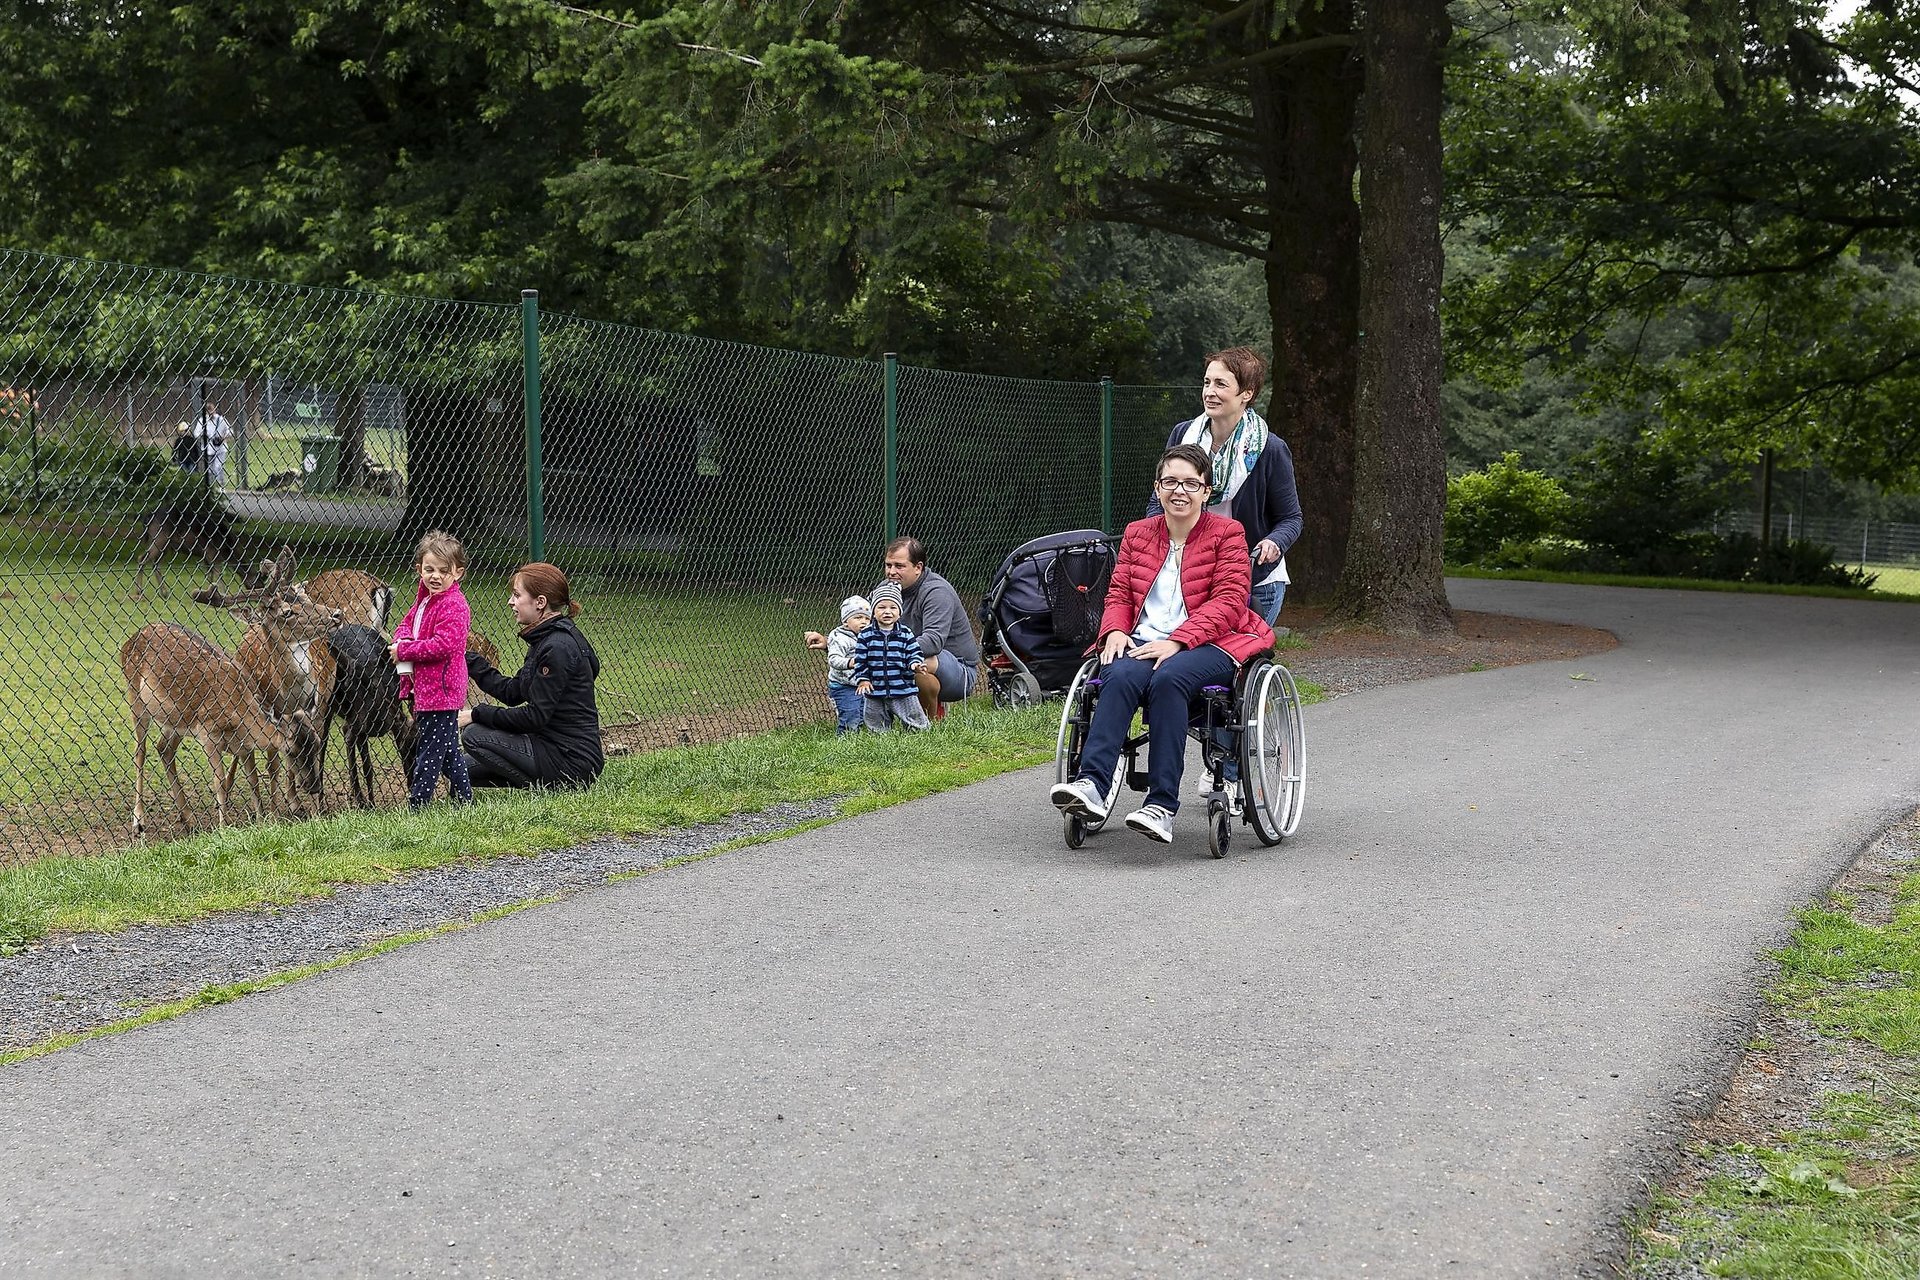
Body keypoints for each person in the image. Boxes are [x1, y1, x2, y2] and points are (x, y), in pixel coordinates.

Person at [1050, 443, 1275, 844]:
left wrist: (1178, 640)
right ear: (1157, 488)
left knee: (1169, 679)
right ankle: (1092, 786)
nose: (1180, 491)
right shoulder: (1139, 534)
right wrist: (1115, 630)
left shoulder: (1229, 533)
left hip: (1213, 642)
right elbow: (1118, 593)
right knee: (1116, 673)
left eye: (1191, 483)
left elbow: (1229, 600)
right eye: (1170, 481)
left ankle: (1161, 805)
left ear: (1207, 491)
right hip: (1144, 640)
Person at [1147, 347, 1302, 626]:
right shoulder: (1183, 436)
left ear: (1247, 393)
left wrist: (1274, 542)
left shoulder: (1270, 449)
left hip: (1252, 579)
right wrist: (1151, 539)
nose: (1209, 392)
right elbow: (1159, 499)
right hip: (1190, 574)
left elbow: (1291, 519)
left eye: (1221, 384)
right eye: (1207, 382)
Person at [459, 561, 605, 789]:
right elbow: (513, 692)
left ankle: (549, 786)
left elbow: (534, 717)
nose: (510, 602)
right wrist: (469, 660)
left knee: (474, 735)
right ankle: (546, 780)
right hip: (550, 746)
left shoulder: (557, 647)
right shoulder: (545, 640)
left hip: (571, 759)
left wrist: (477, 714)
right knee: (461, 770)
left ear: (540, 603)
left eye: (517, 595)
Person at [803, 536, 980, 723]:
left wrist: (889, 649)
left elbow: (933, 641)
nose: (891, 572)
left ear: (918, 567)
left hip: (958, 672)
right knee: (886, 656)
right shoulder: (886, 589)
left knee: (917, 659)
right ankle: (881, 718)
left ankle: (930, 720)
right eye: (888, 565)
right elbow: (865, 629)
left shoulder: (936, 592)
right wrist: (831, 641)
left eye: (899, 566)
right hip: (903, 655)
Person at [391, 530, 473, 810]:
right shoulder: (424, 599)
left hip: (442, 690)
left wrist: (404, 651)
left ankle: (418, 804)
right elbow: (407, 623)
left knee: (429, 750)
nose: (435, 576)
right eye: (429, 569)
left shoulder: (454, 606)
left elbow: (443, 646)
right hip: (425, 690)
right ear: (419, 570)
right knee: (448, 749)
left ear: (457, 573)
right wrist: (401, 637)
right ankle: (464, 799)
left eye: (443, 571)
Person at [855, 582, 931, 732]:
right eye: (882, 607)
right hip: (875, 689)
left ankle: (918, 733)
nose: (887, 612)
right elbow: (860, 660)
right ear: (873, 612)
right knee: (875, 722)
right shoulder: (865, 635)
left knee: (914, 719)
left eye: (893, 607)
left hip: (903, 688)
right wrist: (863, 679)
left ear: (900, 611)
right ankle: (880, 738)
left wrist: (915, 664)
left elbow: (914, 652)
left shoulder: (906, 633)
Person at [822, 594, 872, 734]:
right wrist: (851, 662)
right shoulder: (839, 638)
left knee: (864, 713)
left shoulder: (869, 635)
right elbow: (833, 659)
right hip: (843, 685)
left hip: (863, 682)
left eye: (867, 618)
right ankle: (845, 739)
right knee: (850, 714)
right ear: (845, 621)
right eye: (858, 617)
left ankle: (860, 737)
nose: (863, 622)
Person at [193, 400, 233, 486]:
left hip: (220, 448)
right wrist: (203, 435)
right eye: (208, 411)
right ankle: (210, 486)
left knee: (218, 467)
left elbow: (230, 431)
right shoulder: (202, 420)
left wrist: (223, 437)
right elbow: (196, 434)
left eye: (212, 411)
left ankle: (220, 485)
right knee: (209, 470)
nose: (210, 413)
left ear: (214, 410)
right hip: (208, 448)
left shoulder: (221, 419)